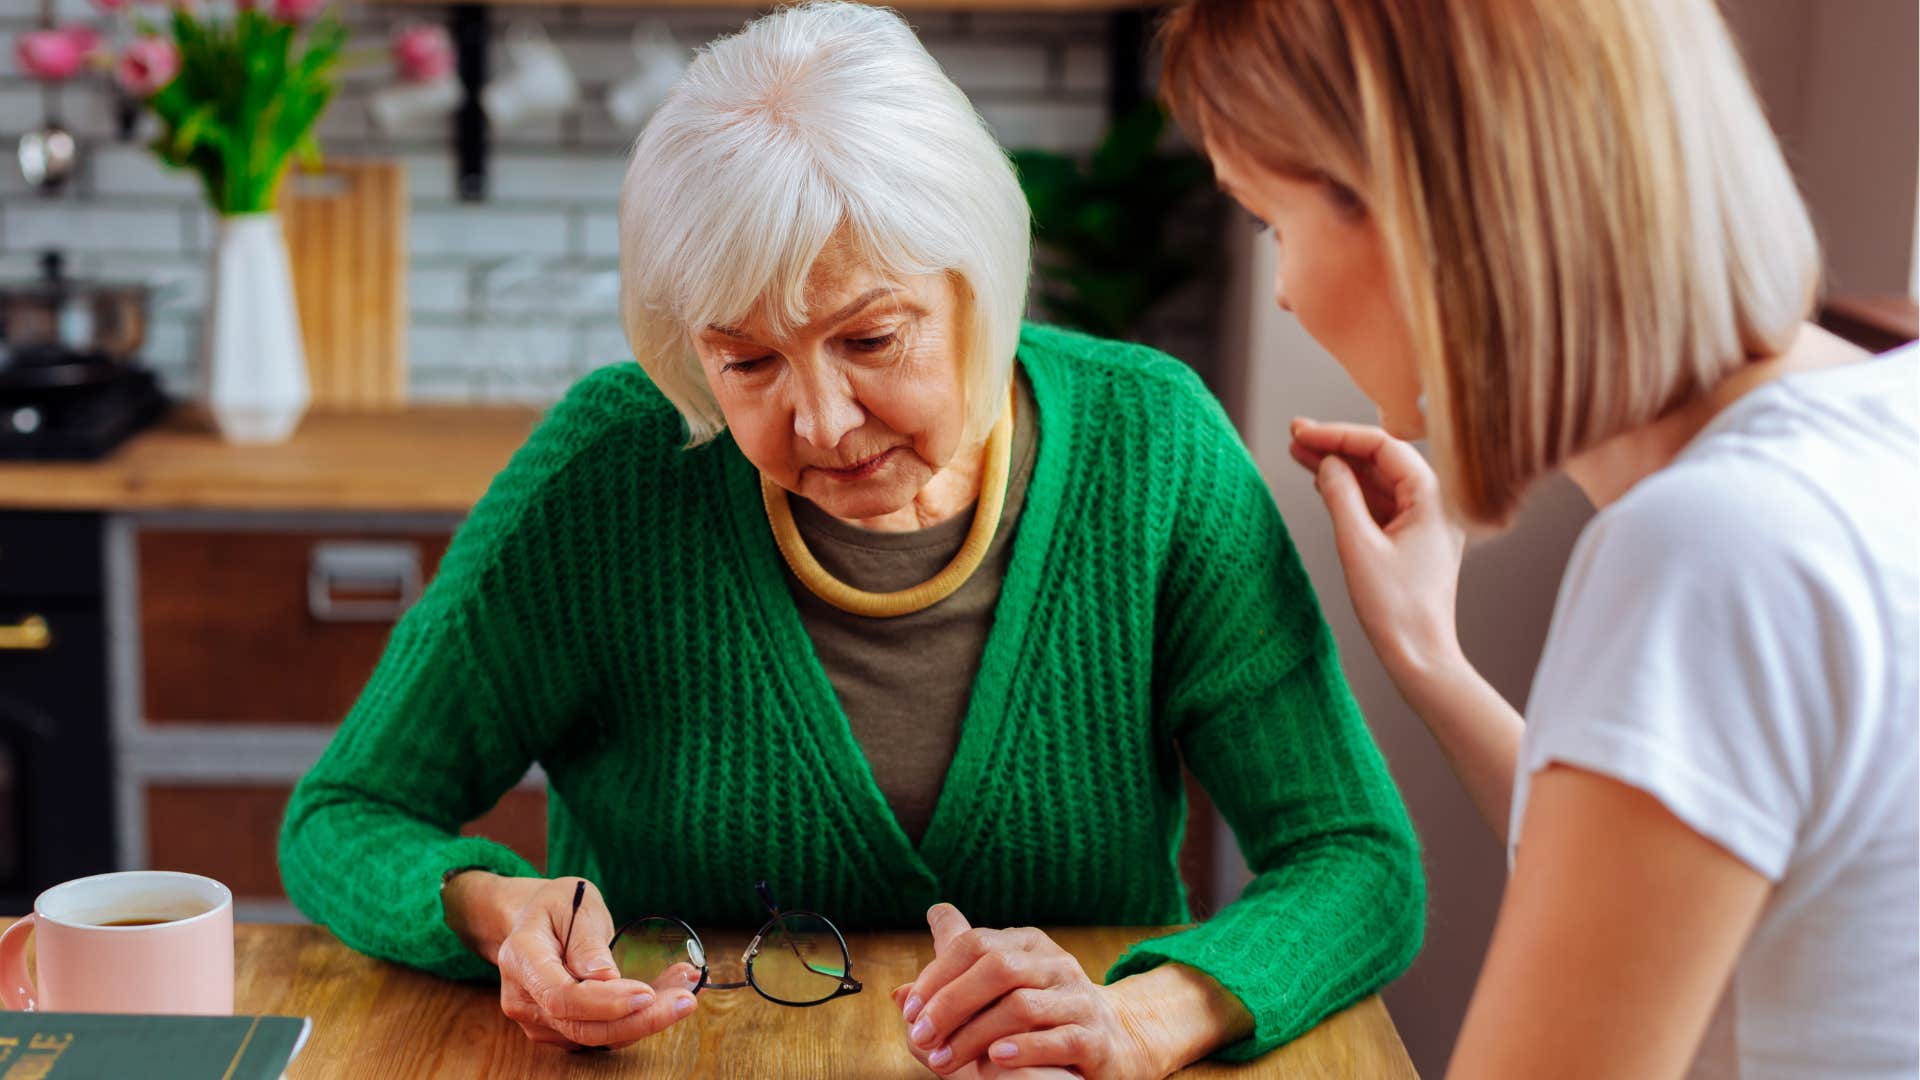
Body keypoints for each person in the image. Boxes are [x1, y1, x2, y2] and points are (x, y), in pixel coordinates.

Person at [278, 2, 1424, 1072]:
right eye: (749, 362)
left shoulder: (1153, 448)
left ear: (981, 284)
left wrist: (1140, 1017)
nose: (820, 422)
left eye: (872, 339)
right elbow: (344, 817)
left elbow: (1357, 862)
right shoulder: (608, 475)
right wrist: (495, 912)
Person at [1150, 0, 1919, 1076]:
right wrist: (1430, 654)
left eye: (1274, 222)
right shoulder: (1879, 422)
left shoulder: (1710, 550)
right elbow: (1668, 872)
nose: (1281, 291)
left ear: (1429, 210)